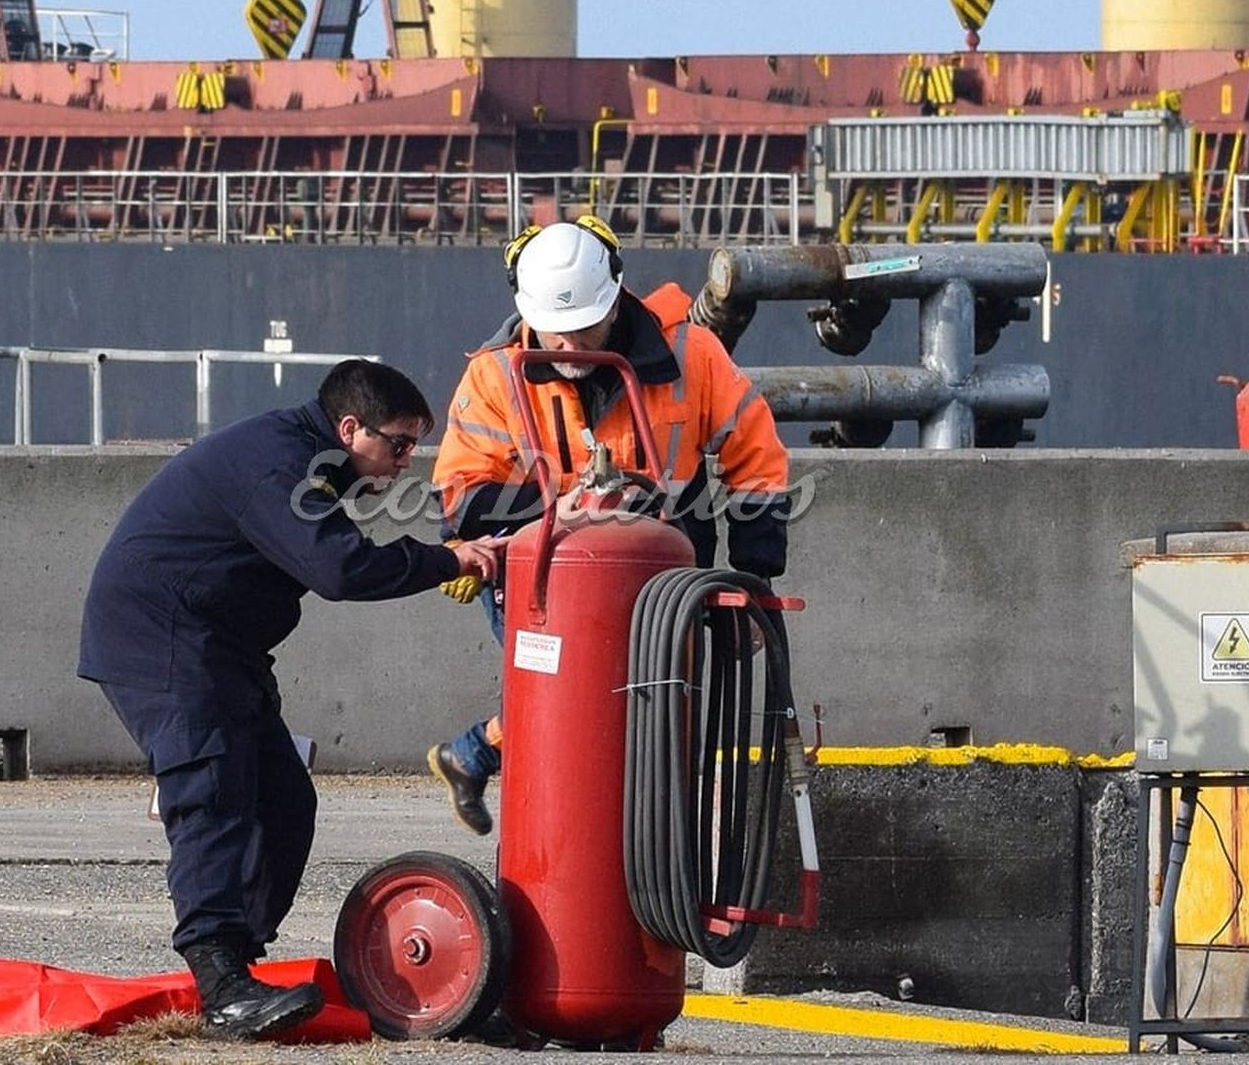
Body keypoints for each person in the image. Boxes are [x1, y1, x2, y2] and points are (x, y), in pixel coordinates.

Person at [77, 359, 503, 1040]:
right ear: (349, 427)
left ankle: (236, 968)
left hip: (220, 646)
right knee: (212, 795)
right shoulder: (278, 465)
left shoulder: (314, 462)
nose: (403, 463)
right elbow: (339, 568)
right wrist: (447, 558)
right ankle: (221, 983)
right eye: (396, 445)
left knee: (282, 800)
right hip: (161, 639)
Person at [427, 216, 792, 835]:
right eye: (555, 333)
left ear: (616, 299)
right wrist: (549, 513)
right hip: (540, 578)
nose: (568, 349)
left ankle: (478, 756)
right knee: (578, 697)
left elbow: (756, 456)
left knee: (625, 706)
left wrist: (751, 577)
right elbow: (460, 495)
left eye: (583, 329)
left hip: (662, 582)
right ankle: (506, 785)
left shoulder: (691, 355)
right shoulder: (496, 375)